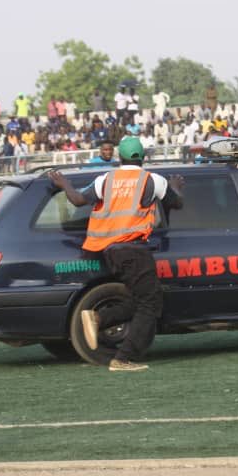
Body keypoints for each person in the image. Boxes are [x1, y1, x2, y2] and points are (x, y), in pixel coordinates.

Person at [47, 136, 184, 371]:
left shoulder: (106, 179)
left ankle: (100, 318)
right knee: (150, 304)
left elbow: (79, 199)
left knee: (141, 300)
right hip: (134, 250)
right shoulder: (153, 180)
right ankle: (123, 358)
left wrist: (64, 184)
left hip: (108, 251)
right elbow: (177, 203)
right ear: (143, 157)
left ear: (119, 157)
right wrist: (177, 188)